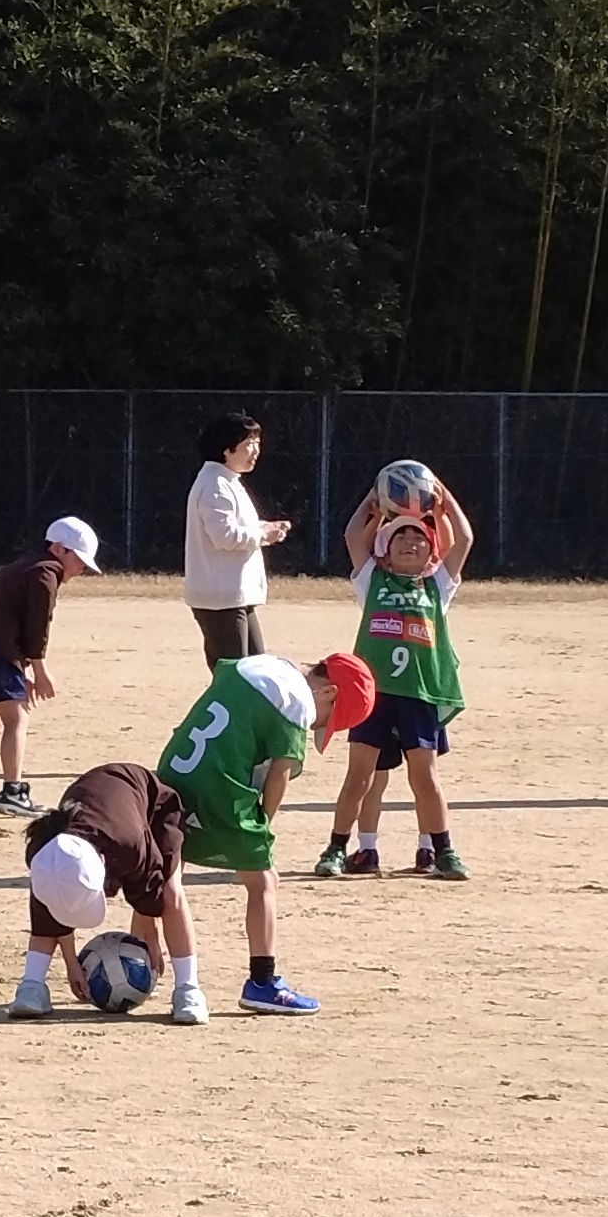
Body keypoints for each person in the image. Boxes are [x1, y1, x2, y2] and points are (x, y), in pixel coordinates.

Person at [156, 649, 373, 1015]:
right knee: (264, 881)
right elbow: (280, 773)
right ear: (328, 692)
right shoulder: (297, 702)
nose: (317, 726)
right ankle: (262, 982)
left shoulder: (256, 664)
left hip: (173, 769)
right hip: (220, 789)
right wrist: (263, 827)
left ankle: (142, 953)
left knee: (167, 869)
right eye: (326, 720)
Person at [314, 473, 479, 879]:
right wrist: (374, 500)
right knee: (359, 777)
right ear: (384, 551)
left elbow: (464, 538)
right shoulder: (373, 580)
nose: (409, 541)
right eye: (400, 536)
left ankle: (443, 850)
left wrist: (441, 499)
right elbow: (352, 536)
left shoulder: (437, 587)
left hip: (419, 695)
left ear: (432, 551)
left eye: (419, 537)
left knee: (425, 777)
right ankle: (337, 848)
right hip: (373, 697)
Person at [12, 763, 203, 1024]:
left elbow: (151, 890)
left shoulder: (128, 844)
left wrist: (149, 928)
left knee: (170, 893)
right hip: (100, 809)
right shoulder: (44, 853)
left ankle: (188, 989)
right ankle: (31, 985)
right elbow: (52, 911)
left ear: (103, 865)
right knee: (50, 895)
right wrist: (71, 963)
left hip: (154, 805)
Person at [0, 516, 100, 815]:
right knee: (16, 719)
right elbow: (37, 627)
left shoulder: (24, 566)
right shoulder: (45, 573)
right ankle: (13, 791)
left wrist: (21, 671)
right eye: (79, 560)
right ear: (59, 549)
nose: (81, 569)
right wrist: (40, 672)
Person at [184, 412, 290, 669]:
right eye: (249, 444)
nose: (256, 451)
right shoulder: (215, 484)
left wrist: (266, 528)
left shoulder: (227, 481)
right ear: (227, 449)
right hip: (221, 598)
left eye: (257, 443)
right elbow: (225, 536)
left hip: (233, 596)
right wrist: (263, 535)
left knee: (255, 669)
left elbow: (235, 527)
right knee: (236, 675)